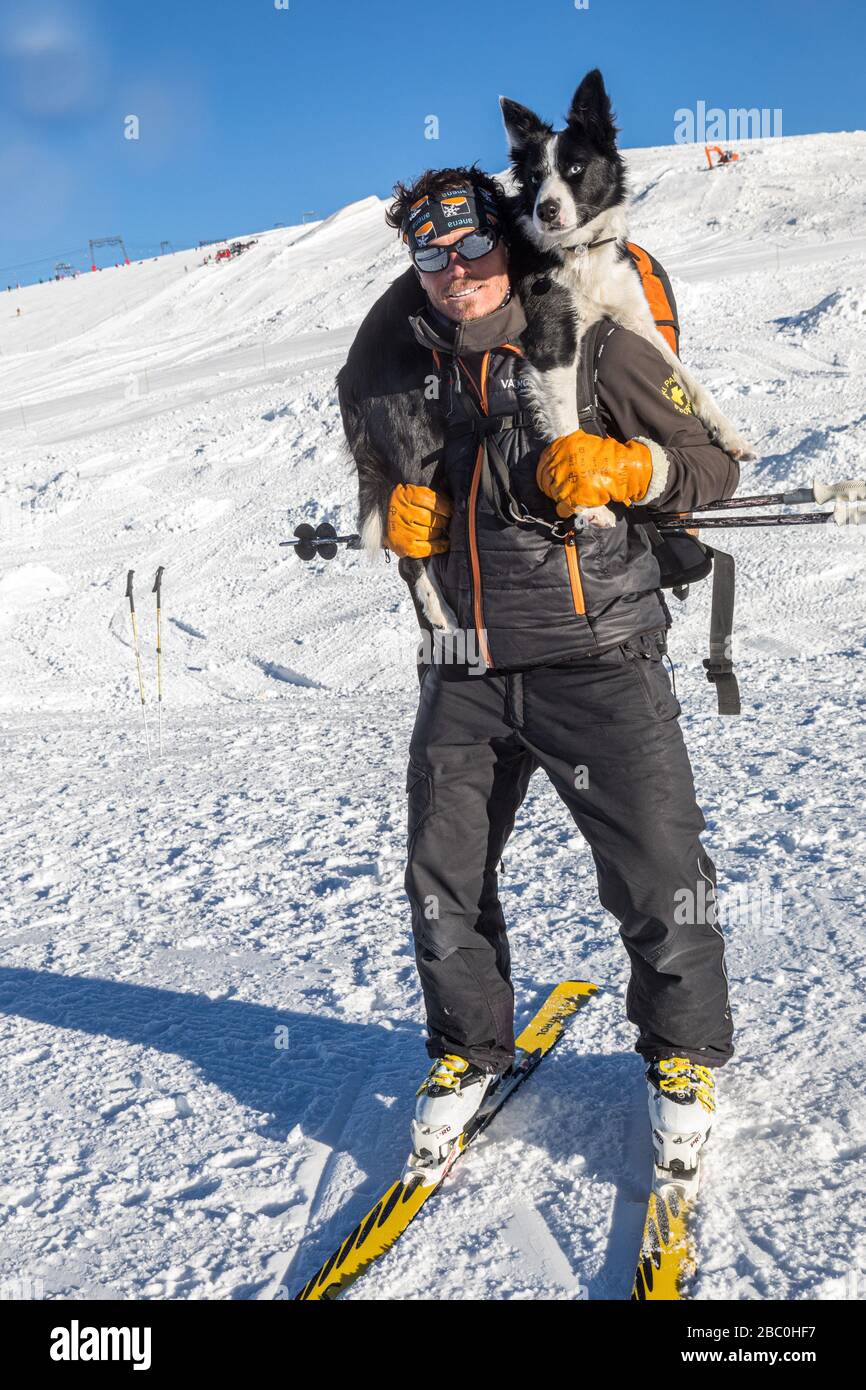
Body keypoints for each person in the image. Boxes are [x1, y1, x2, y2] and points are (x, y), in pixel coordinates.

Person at [339, 167, 736, 1184]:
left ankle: (682, 1059)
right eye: (431, 256)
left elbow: (707, 465)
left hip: (594, 651)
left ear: (507, 244)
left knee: (655, 868)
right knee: (444, 875)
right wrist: (386, 517)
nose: (455, 272)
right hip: (460, 660)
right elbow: (371, 480)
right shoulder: (391, 370)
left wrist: (623, 469)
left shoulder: (592, 341)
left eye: (472, 249)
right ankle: (467, 1052)